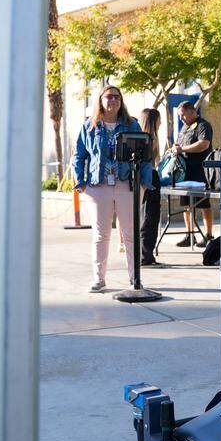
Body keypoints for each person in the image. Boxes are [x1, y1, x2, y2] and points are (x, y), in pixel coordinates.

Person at [72, 85, 153, 292]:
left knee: (130, 233)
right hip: (98, 186)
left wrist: (144, 183)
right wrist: (80, 183)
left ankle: (135, 279)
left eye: (117, 97)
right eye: (109, 96)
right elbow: (79, 155)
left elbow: (145, 155)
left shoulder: (131, 125)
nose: (113, 100)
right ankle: (99, 279)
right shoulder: (90, 126)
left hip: (127, 184)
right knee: (101, 234)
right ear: (100, 100)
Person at [173, 101, 214, 247]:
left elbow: (204, 144)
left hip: (200, 171)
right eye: (179, 116)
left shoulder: (203, 125)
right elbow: (179, 145)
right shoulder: (185, 127)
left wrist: (182, 149)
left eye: (183, 115)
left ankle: (208, 235)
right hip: (185, 172)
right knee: (186, 204)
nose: (181, 119)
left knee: (203, 204)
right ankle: (189, 235)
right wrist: (175, 149)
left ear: (192, 111)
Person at [139, 108, 162, 267]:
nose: (161, 123)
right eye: (159, 119)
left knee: (145, 216)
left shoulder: (141, 137)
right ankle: (146, 256)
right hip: (150, 178)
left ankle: (145, 254)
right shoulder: (150, 138)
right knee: (150, 217)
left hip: (144, 178)